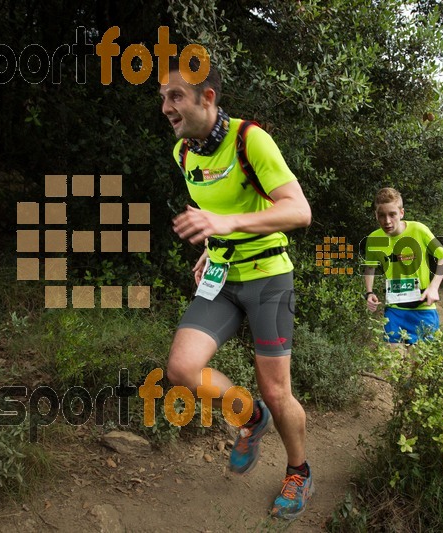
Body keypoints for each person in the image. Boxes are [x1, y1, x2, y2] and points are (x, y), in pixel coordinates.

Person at [160, 55, 314, 520]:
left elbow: (298, 211)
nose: (166, 106)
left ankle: (299, 471)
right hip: (222, 279)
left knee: (277, 390)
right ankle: (250, 419)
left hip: (268, 277)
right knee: (182, 368)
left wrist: (228, 222)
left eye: (175, 97)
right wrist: (212, 241)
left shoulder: (251, 140)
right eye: (162, 98)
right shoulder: (183, 152)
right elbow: (214, 208)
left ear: (207, 98)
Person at [362, 188, 443, 346]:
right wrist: (369, 292)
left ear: (401, 213)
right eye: (382, 215)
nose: (387, 221)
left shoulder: (419, 230)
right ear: (376, 215)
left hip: (423, 308)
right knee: (393, 365)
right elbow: (370, 267)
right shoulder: (374, 239)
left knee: (421, 367)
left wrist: (434, 287)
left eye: (392, 214)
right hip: (394, 310)